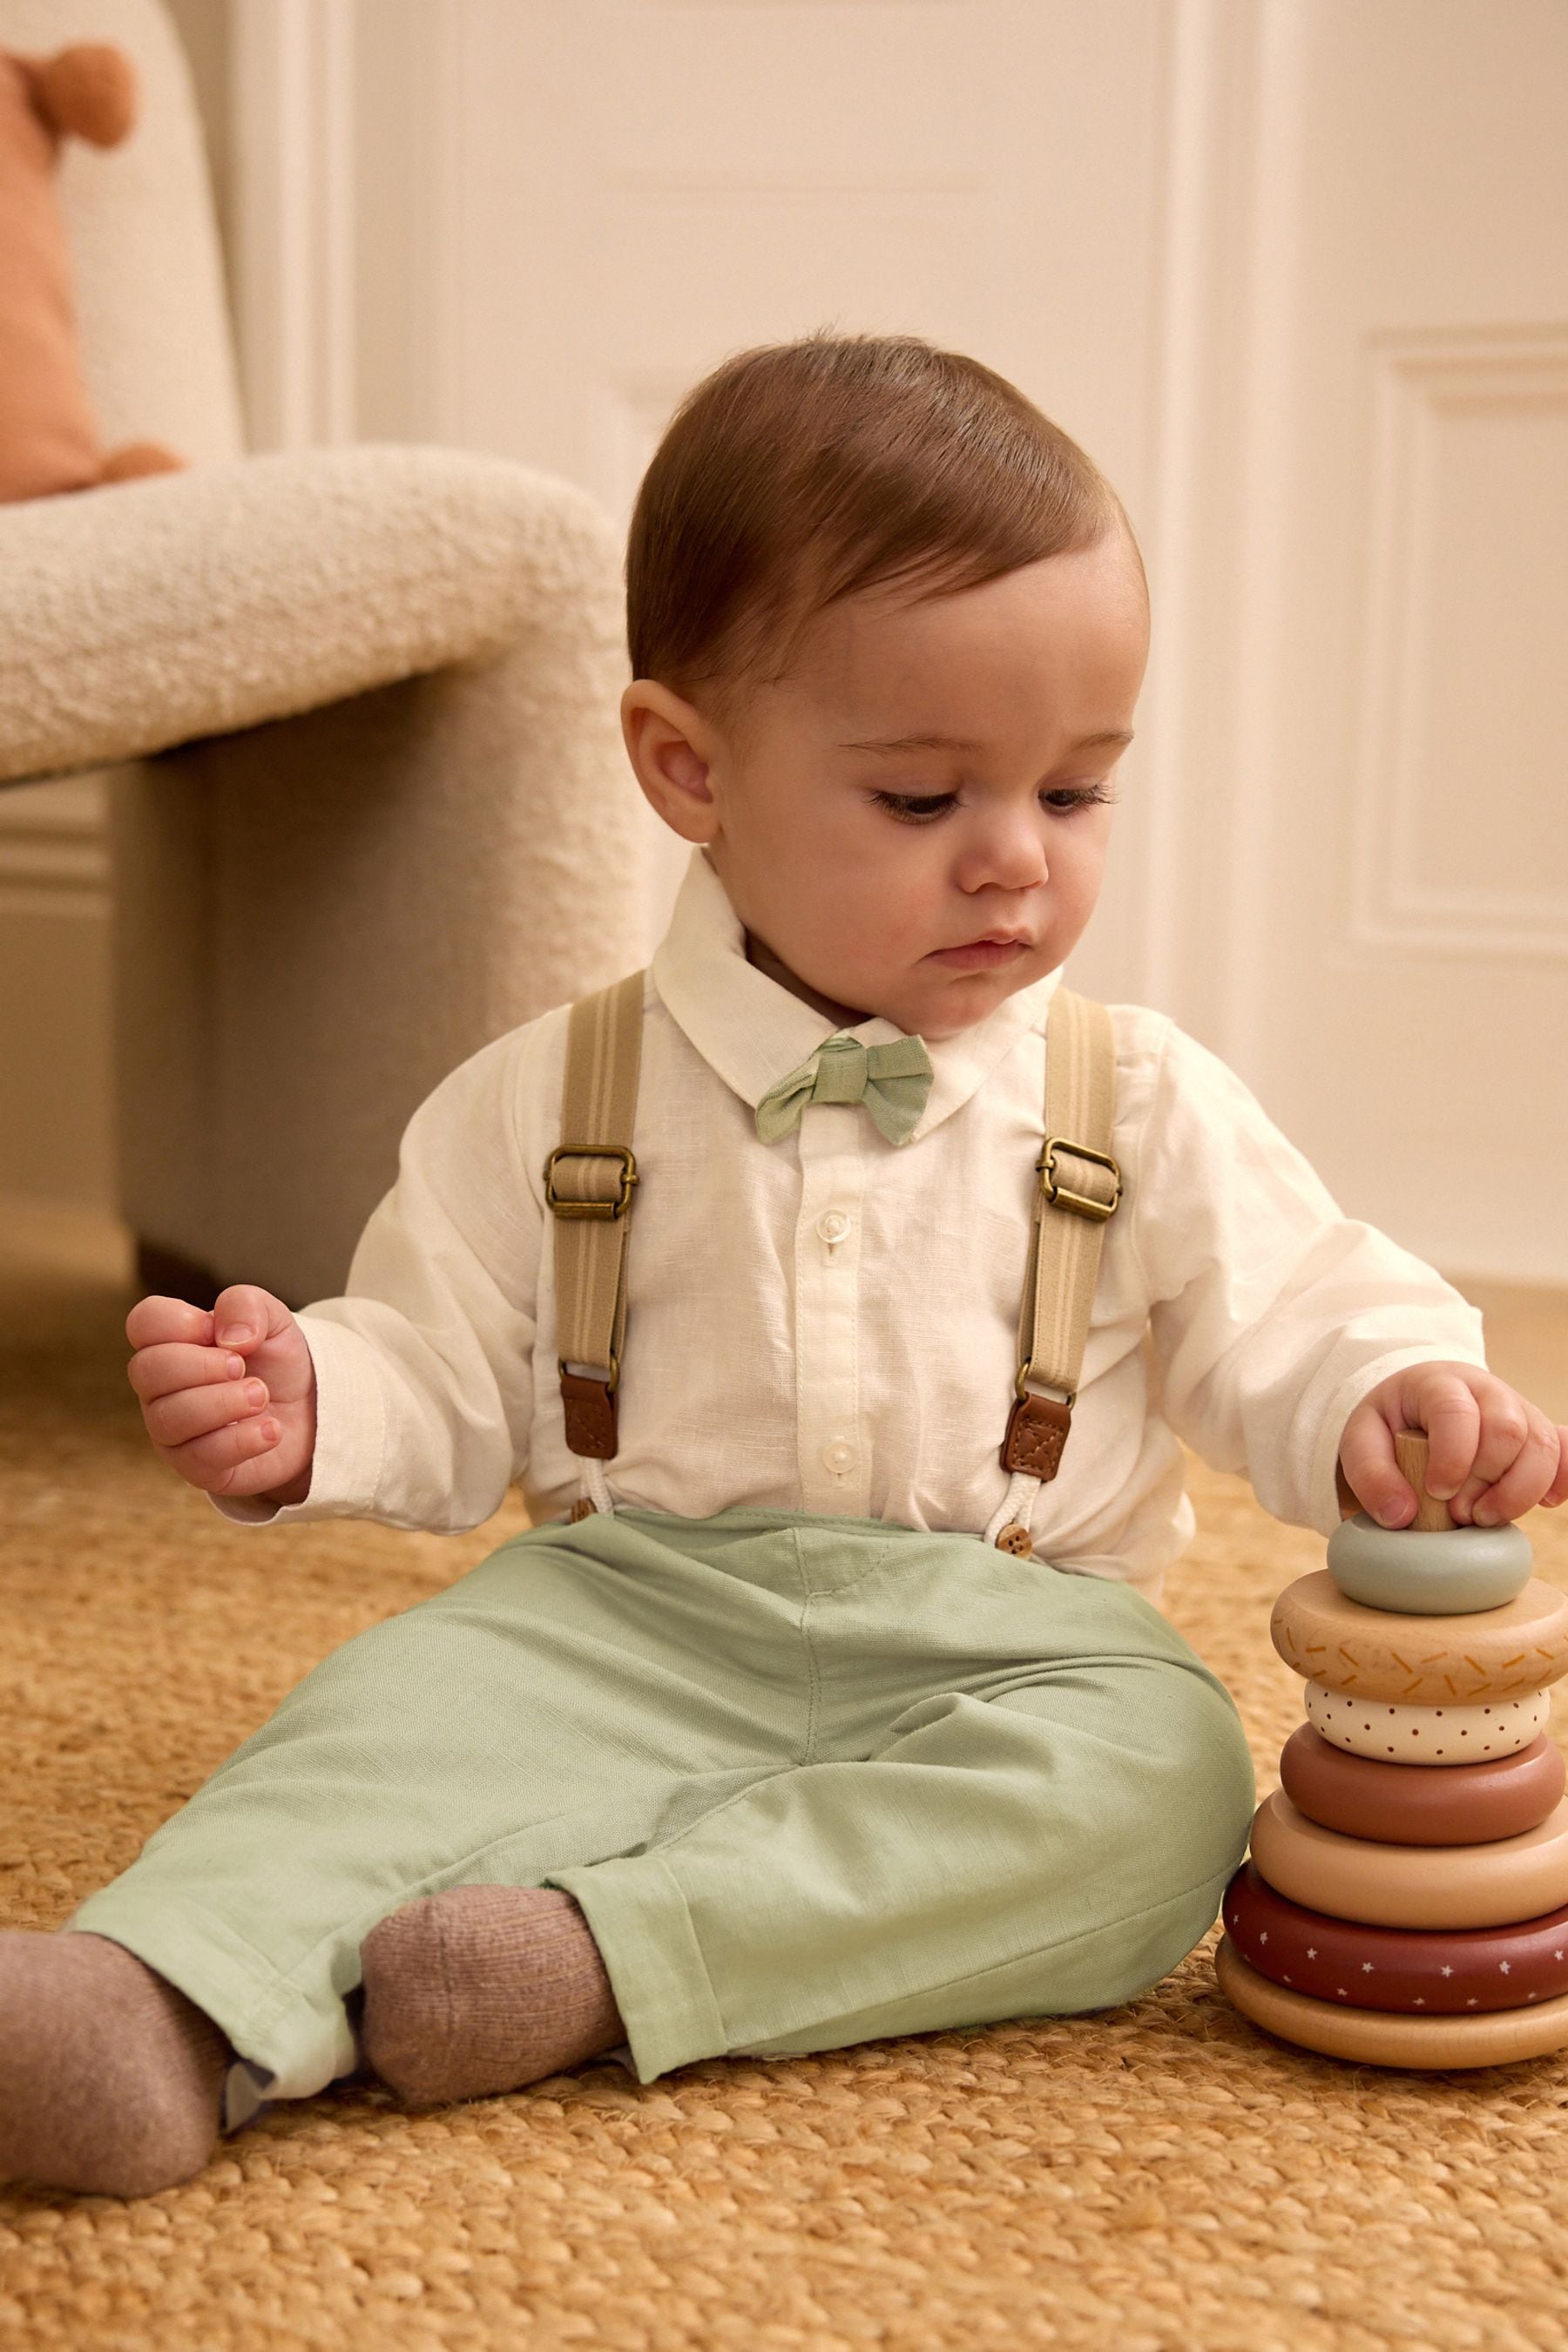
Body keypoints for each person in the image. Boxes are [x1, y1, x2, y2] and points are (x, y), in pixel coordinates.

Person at [3, 332, 1564, 2200]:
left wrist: (1390, 1392)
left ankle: (590, 1960)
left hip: (1009, 1645)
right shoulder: (547, 1095)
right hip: (620, 1615)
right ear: (689, 768)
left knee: (1162, 1795)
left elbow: (1296, 1308)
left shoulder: (1131, 1094)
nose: (1015, 865)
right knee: (372, 1732)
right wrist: (314, 1401)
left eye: (1073, 795)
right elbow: (440, 1364)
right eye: (925, 802)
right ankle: (156, 2001)